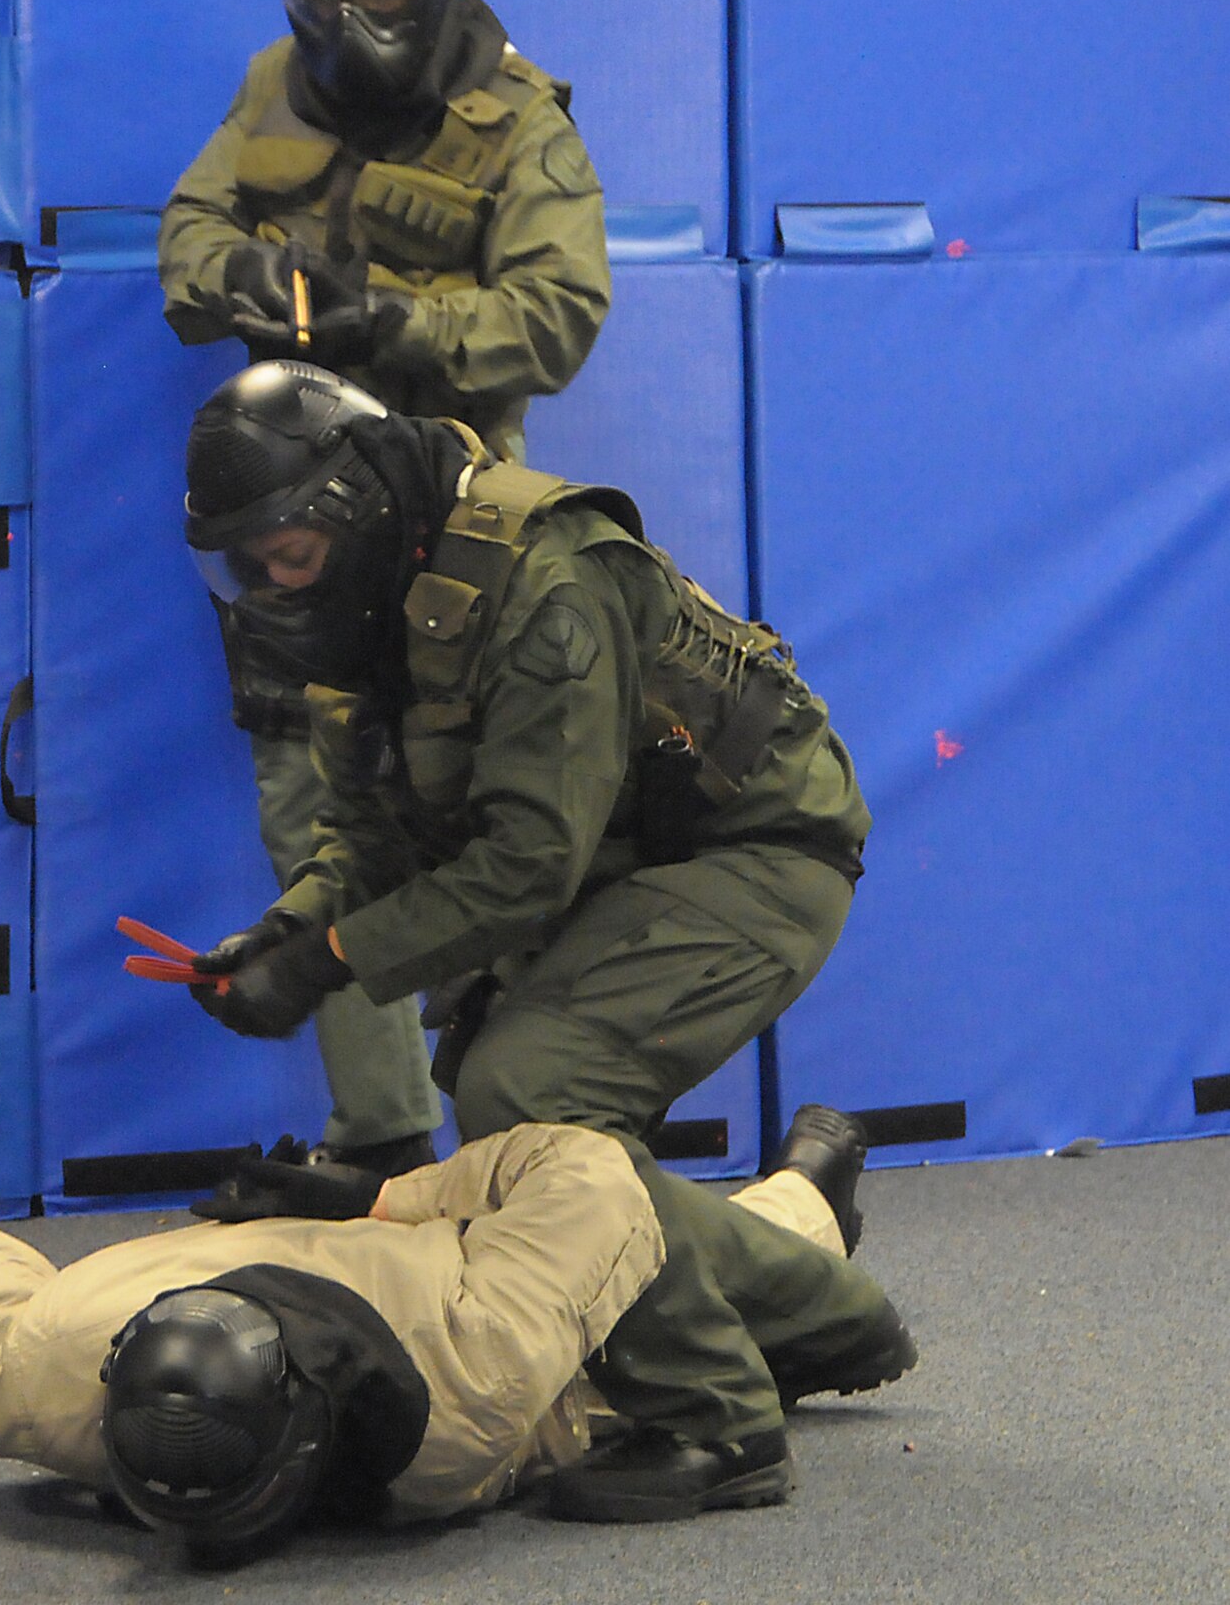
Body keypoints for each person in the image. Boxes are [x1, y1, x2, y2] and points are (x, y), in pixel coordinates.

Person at [175, 360, 878, 1515]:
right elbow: (369, 834)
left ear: (348, 505)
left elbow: (523, 865)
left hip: (756, 851)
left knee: (530, 1088)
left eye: (283, 547)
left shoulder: (541, 576)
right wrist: (291, 926)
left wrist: (333, 962)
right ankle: (821, 1309)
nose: (267, 580)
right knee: (526, 1122)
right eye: (242, 559)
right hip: (621, 865)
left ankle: (718, 1423)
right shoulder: (360, 611)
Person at [157, 0, 612, 1178]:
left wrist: (395, 321)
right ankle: (383, 1145)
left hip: (452, 524)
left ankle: (532, 1152)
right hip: (294, 526)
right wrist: (234, 268)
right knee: (316, 817)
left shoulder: (519, 114)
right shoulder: (268, 87)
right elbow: (185, 235)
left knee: (496, 823)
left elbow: (558, 315)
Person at [0, 1113, 914, 1564]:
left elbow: (590, 1170)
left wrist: (382, 1193)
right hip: (272, 1256)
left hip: (455, 1267)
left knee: (650, 1242)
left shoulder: (472, 1382)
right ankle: (800, 1192)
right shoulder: (44, 1368)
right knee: (640, 1241)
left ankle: (807, 1230)